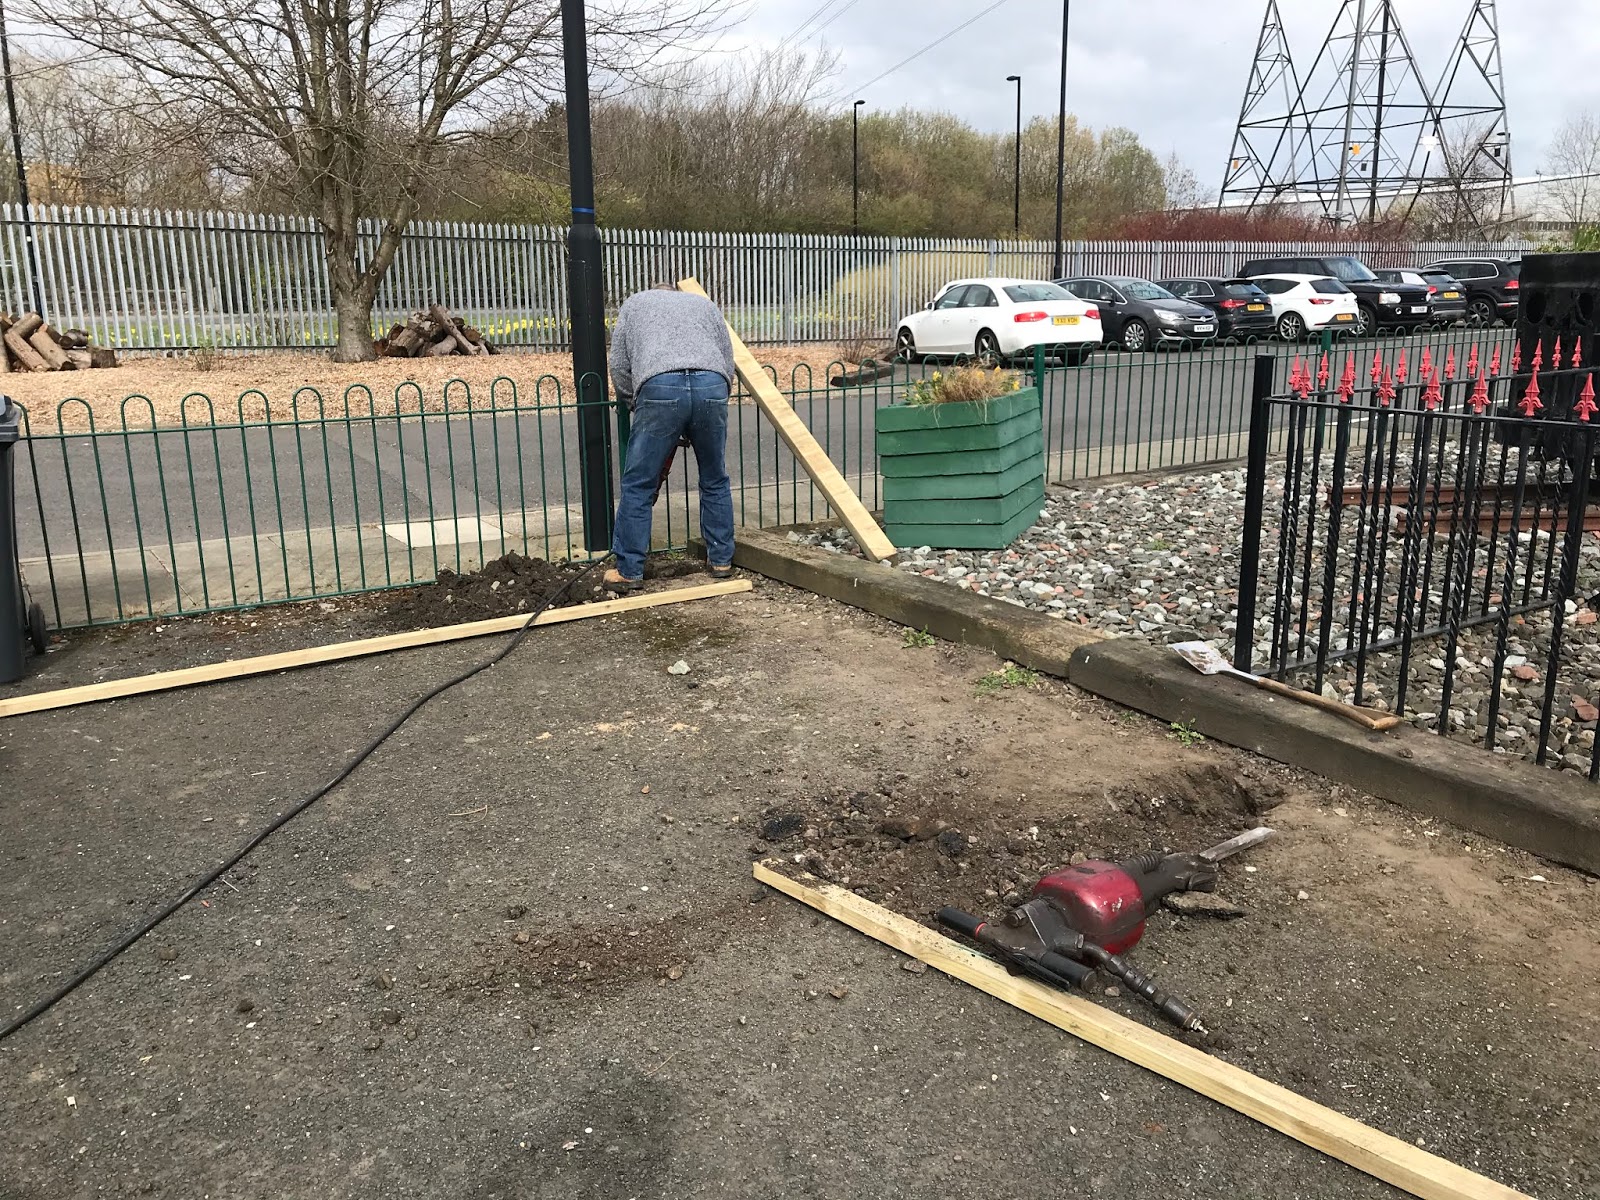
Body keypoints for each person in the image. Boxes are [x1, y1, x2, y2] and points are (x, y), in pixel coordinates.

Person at [604, 284, 737, 593]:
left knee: (639, 483)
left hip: (659, 383)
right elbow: (727, 359)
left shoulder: (636, 303)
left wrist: (634, 402)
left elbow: (619, 365)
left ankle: (628, 570)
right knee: (715, 477)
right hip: (711, 384)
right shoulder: (703, 304)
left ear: (655, 292)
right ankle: (720, 560)